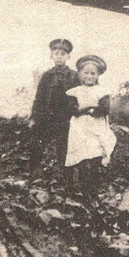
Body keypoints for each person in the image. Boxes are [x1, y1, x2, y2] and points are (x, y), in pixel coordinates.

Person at [65, 55, 117, 191]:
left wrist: (90, 110)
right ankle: (82, 186)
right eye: (86, 73)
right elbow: (73, 110)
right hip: (80, 126)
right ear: (80, 74)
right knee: (82, 155)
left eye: (93, 73)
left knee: (96, 153)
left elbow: (104, 109)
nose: (89, 76)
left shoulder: (102, 91)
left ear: (98, 75)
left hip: (96, 125)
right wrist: (88, 108)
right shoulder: (75, 92)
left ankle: (94, 186)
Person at [28, 38, 79, 174]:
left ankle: (64, 175)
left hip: (65, 118)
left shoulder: (73, 76)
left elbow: (78, 97)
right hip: (46, 117)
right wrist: (34, 117)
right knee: (38, 143)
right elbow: (39, 98)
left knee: (64, 148)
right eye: (56, 54)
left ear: (68, 56)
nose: (59, 57)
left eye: (62, 54)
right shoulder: (47, 76)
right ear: (51, 56)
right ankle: (34, 173)